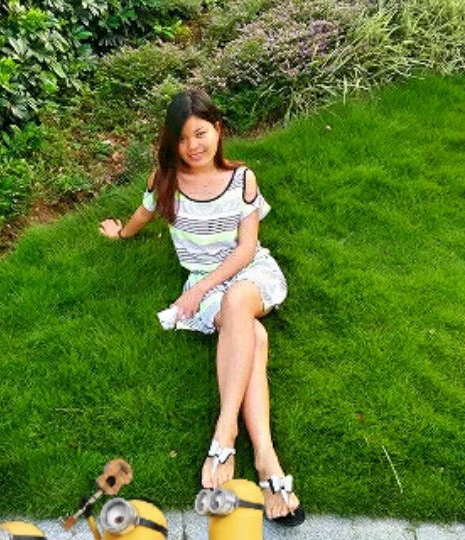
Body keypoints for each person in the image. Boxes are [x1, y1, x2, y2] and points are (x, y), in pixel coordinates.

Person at [99, 88, 304, 525]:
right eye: (182, 138)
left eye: (201, 133)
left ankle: (225, 432)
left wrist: (196, 293)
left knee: (237, 300)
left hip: (248, 274)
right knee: (254, 335)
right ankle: (266, 458)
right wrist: (121, 233)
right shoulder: (165, 180)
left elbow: (246, 249)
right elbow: (144, 213)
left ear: (218, 130)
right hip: (208, 288)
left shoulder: (242, 179)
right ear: (170, 142)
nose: (193, 145)